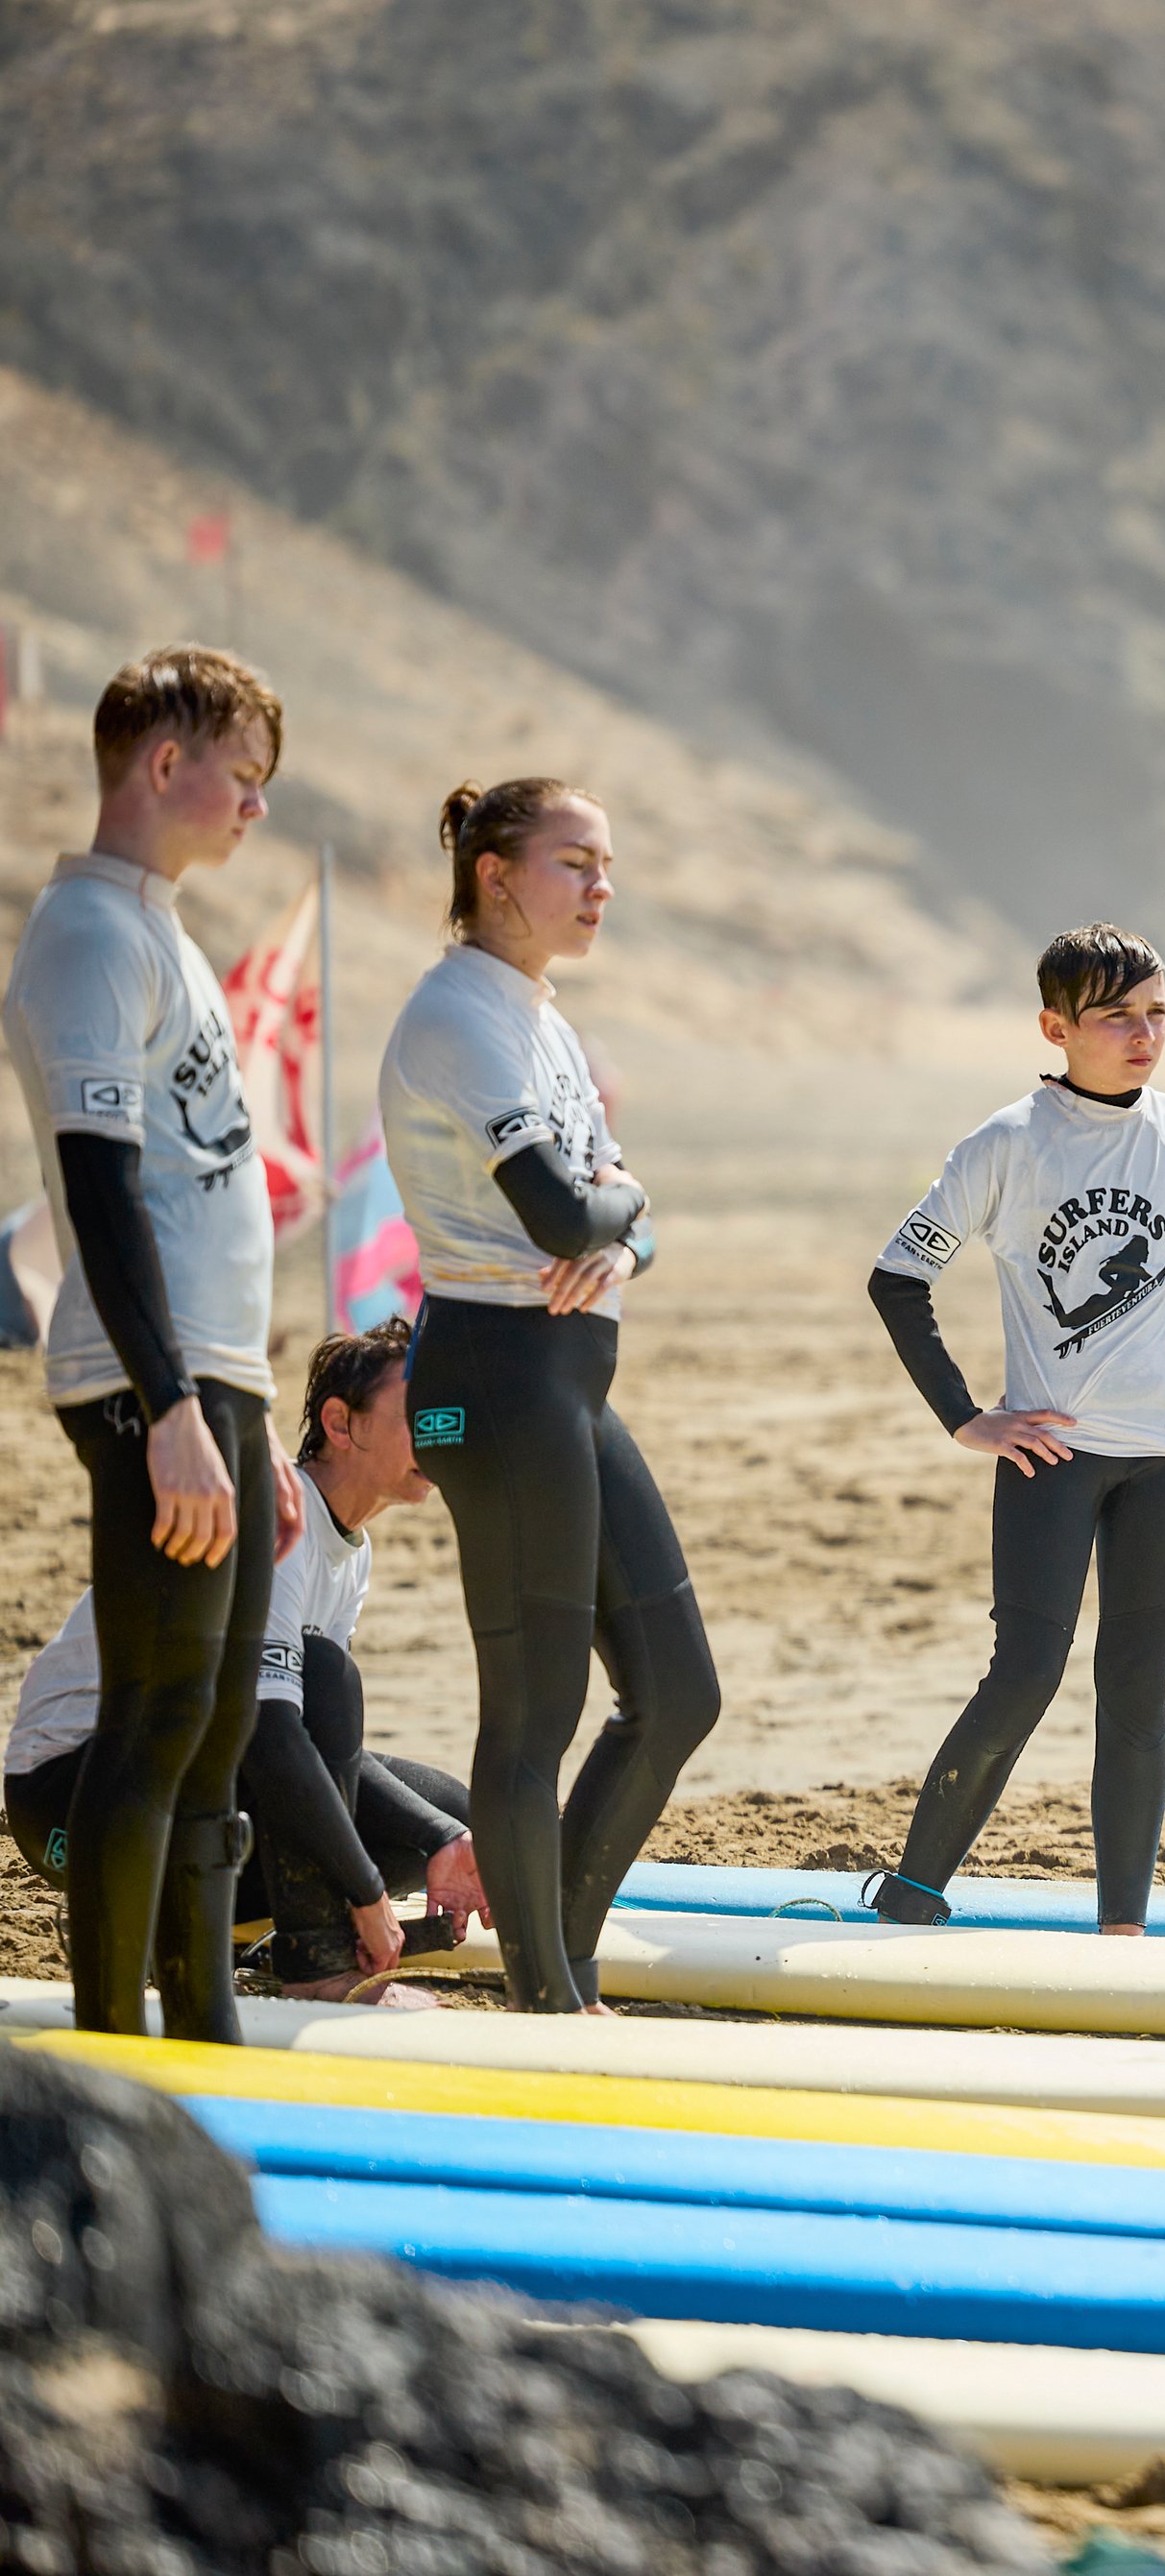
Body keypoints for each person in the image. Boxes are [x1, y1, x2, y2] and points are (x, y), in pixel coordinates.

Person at [862, 925, 1165, 1933]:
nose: (1144, 1035)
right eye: (1117, 1018)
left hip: (1164, 1461)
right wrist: (968, 1417)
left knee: (1137, 1690)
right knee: (1025, 1672)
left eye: (1156, 1014)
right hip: (1050, 1459)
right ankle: (914, 1897)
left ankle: (1122, 1930)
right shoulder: (1008, 1143)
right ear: (1056, 1026)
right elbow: (897, 1280)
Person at [0, 646, 303, 2040]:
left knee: (220, 1728)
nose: (255, 805)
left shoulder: (163, 927)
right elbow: (104, 1186)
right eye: (240, 775)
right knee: (158, 1716)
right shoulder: (87, 935)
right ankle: (121, 2051)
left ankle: (206, 2028)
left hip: (211, 1376)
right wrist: (174, 1405)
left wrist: (248, 1410)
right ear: (161, 764)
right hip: (142, 1379)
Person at [379, 779, 718, 2012]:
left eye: (607, 864)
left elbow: (621, 1219)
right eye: (575, 862)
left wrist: (625, 1235)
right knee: (536, 1718)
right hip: (494, 1379)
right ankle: (546, 1996)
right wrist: (624, 1214)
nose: (601, 887)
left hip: (570, 1385)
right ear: (496, 875)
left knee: (680, 1691)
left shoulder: (541, 1018)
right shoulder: (458, 1019)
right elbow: (572, 1207)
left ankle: (559, 1956)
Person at [9, 1321, 488, 2004]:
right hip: (74, 1795)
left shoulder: (351, 1550)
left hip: (186, 1772)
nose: (439, 1434)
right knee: (322, 1683)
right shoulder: (279, 1527)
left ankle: (229, 1930)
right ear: (340, 1423)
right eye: (416, 1415)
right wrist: (365, 1892)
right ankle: (314, 1968)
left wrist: (442, 1835)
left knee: (451, 1816)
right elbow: (274, 1736)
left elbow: (322, 1747)